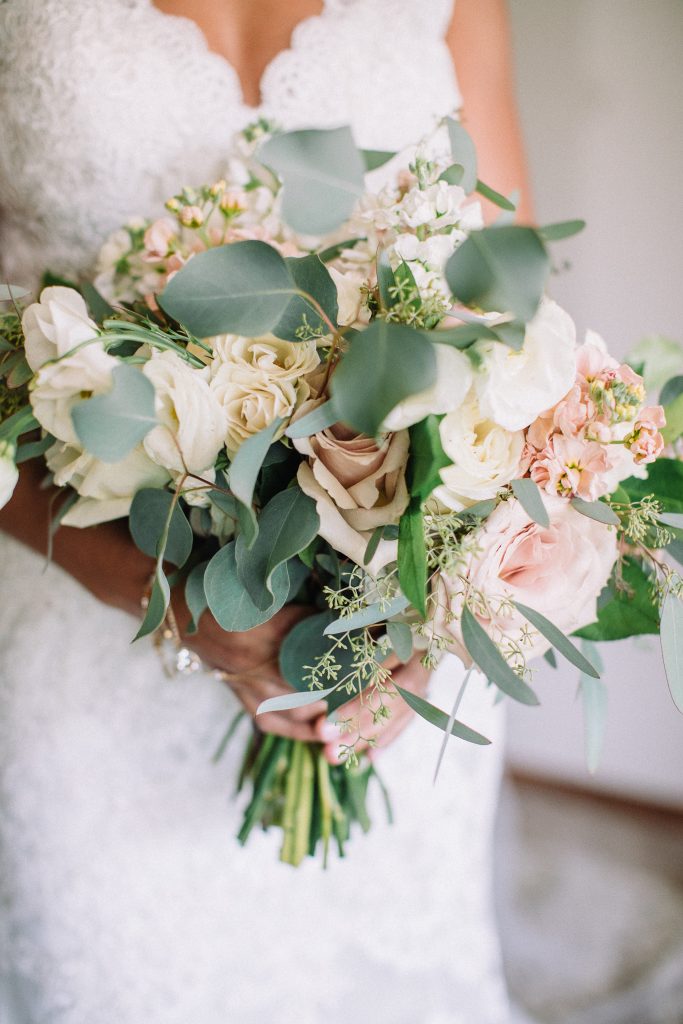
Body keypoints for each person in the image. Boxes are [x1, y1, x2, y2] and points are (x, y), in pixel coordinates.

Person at [0, 2, 530, 1021]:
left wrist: (433, 609)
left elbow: (505, 307)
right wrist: (157, 594)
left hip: (397, 637)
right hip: (78, 620)